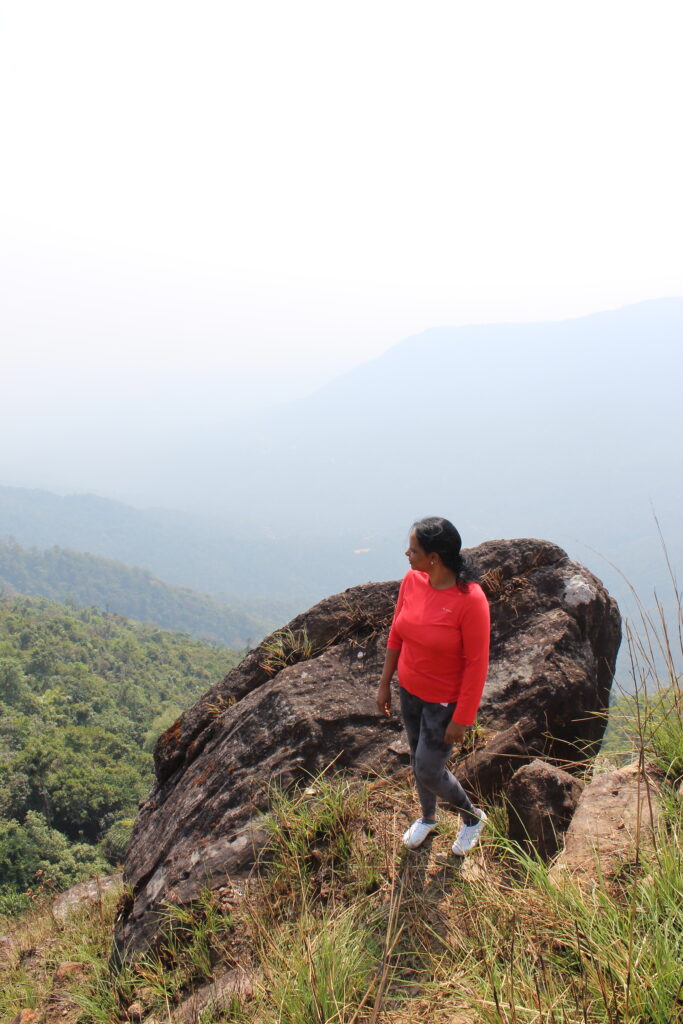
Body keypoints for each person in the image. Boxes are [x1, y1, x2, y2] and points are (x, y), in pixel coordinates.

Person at [375, 516, 490, 856]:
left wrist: (462, 718)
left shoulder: (470, 600)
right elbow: (396, 633)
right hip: (410, 690)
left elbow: (477, 664)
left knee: (428, 768)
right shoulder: (413, 581)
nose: (407, 554)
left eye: (413, 550)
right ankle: (428, 817)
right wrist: (385, 683)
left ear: (434, 558)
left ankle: (472, 818)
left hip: (444, 702)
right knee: (417, 759)